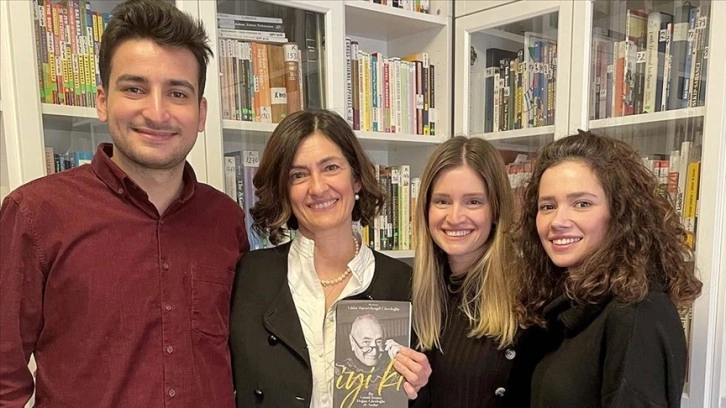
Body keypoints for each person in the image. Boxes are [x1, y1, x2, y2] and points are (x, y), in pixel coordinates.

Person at [0, 1, 249, 406]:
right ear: (102, 101)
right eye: (135, 88)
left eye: (177, 93)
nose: (157, 112)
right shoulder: (35, 214)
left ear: (201, 113)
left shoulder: (226, 220)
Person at [229, 109, 431, 407]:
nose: (318, 187)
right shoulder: (249, 276)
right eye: (298, 175)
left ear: (357, 178)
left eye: (331, 167)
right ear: (284, 190)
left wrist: (419, 383)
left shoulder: (404, 283)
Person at [516, 131, 703, 407]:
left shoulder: (638, 314)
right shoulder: (565, 303)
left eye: (582, 204)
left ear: (620, 213)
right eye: (547, 206)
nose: (558, 221)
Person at [411, 136, 539, 407]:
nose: (455, 217)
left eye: (473, 202)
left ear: (496, 210)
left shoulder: (528, 296)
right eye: (442, 201)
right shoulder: (413, 295)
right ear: (425, 209)